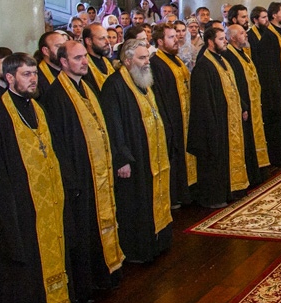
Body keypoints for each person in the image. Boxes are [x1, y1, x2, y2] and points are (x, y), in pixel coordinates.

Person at [0, 53, 75, 303]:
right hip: (20, 216)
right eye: (27, 75)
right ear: (10, 79)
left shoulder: (37, 108)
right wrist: (9, 222)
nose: (34, 79)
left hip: (49, 207)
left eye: (34, 73)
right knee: (25, 278)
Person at [42, 41, 124, 303]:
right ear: (63, 62)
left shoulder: (86, 87)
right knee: (85, 230)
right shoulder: (56, 96)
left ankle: (105, 274)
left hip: (98, 172)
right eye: (77, 58)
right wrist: (73, 180)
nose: (84, 62)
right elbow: (60, 143)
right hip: (80, 177)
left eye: (84, 58)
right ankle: (88, 284)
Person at [99, 39, 174, 263]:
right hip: (134, 156)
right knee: (136, 203)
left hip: (152, 154)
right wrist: (122, 158)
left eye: (147, 57)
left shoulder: (144, 82)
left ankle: (159, 241)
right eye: (142, 58)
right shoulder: (115, 85)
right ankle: (139, 249)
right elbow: (113, 125)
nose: (146, 62)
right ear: (128, 60)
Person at [187, 27, 254, 208]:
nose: (225, 41)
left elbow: (234, 87)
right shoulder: (203, 66)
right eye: (221, 39)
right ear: (210, 42)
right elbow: (202, 102)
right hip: (215, 123)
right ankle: (215, 197)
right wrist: (212, 124)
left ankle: (233, 190)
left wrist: (242, 107)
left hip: (229, 119)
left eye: (225, 38)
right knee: (214, 160)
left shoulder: (222, 60)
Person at [249, 1, 281, 167]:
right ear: (274, 15)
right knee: (278, 122)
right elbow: (267, 67)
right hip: (276, 87)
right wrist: (275, 88)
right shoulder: (269, 36)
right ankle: (280, 156)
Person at [150, 22, 196, 207]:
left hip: (185, 116)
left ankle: (188, 192)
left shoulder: (175, 59)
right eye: (171, 37)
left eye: (176, 36)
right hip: (173, 119)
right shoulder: (156, 63)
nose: (176, 39)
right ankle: (176, 196)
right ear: (160, 41)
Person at [222, 23, 271, 186]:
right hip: (244, 105)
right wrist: (243, 106)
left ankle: (258, 171)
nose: (246, 35)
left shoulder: (243, 52)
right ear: (233, 38)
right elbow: (235, 83)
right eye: (242, 33)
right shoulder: (229, 55)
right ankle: (251, 173)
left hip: (254, 102)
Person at [83, 23, 115, 91]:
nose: (107, 42)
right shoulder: (84, 66)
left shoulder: (109, 62)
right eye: (102, 38)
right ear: (89, 41)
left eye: (107, 37)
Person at [36, 30, 68, 98]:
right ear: (46, 51)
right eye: (58, 46)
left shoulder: (70, 71)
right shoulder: (37, 79)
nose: (64, 51)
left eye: (64, 46)